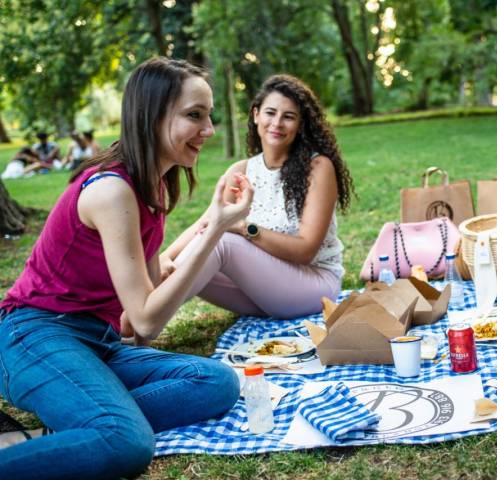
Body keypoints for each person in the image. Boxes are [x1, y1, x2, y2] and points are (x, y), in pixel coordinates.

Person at [0, 57, 253, 479]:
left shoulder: (153, 184)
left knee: (217, 381)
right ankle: (98, 421)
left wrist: (211, 223)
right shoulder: (112, 190)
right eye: (195, 116)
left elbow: (148, 294)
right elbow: (146, 320)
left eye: (209, 117)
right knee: (127, 443)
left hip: (97, 341)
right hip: (34, 335)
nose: (208, 131)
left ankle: (83, 419)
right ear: (152, 116)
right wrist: (217, 228)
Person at [161, 74, 354, 319]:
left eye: (289, 116)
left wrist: (244, 228)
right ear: (255, 115)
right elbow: (205, 223)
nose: (277, 123)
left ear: (300, 124)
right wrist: (164, 258)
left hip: (314, 285)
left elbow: (306, 250)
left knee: (220, 241)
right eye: (270, 113)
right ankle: (140, 308)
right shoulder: (240, 172)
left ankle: (143, 320)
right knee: (204, 242)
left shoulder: (318, 167)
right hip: (263, 291)